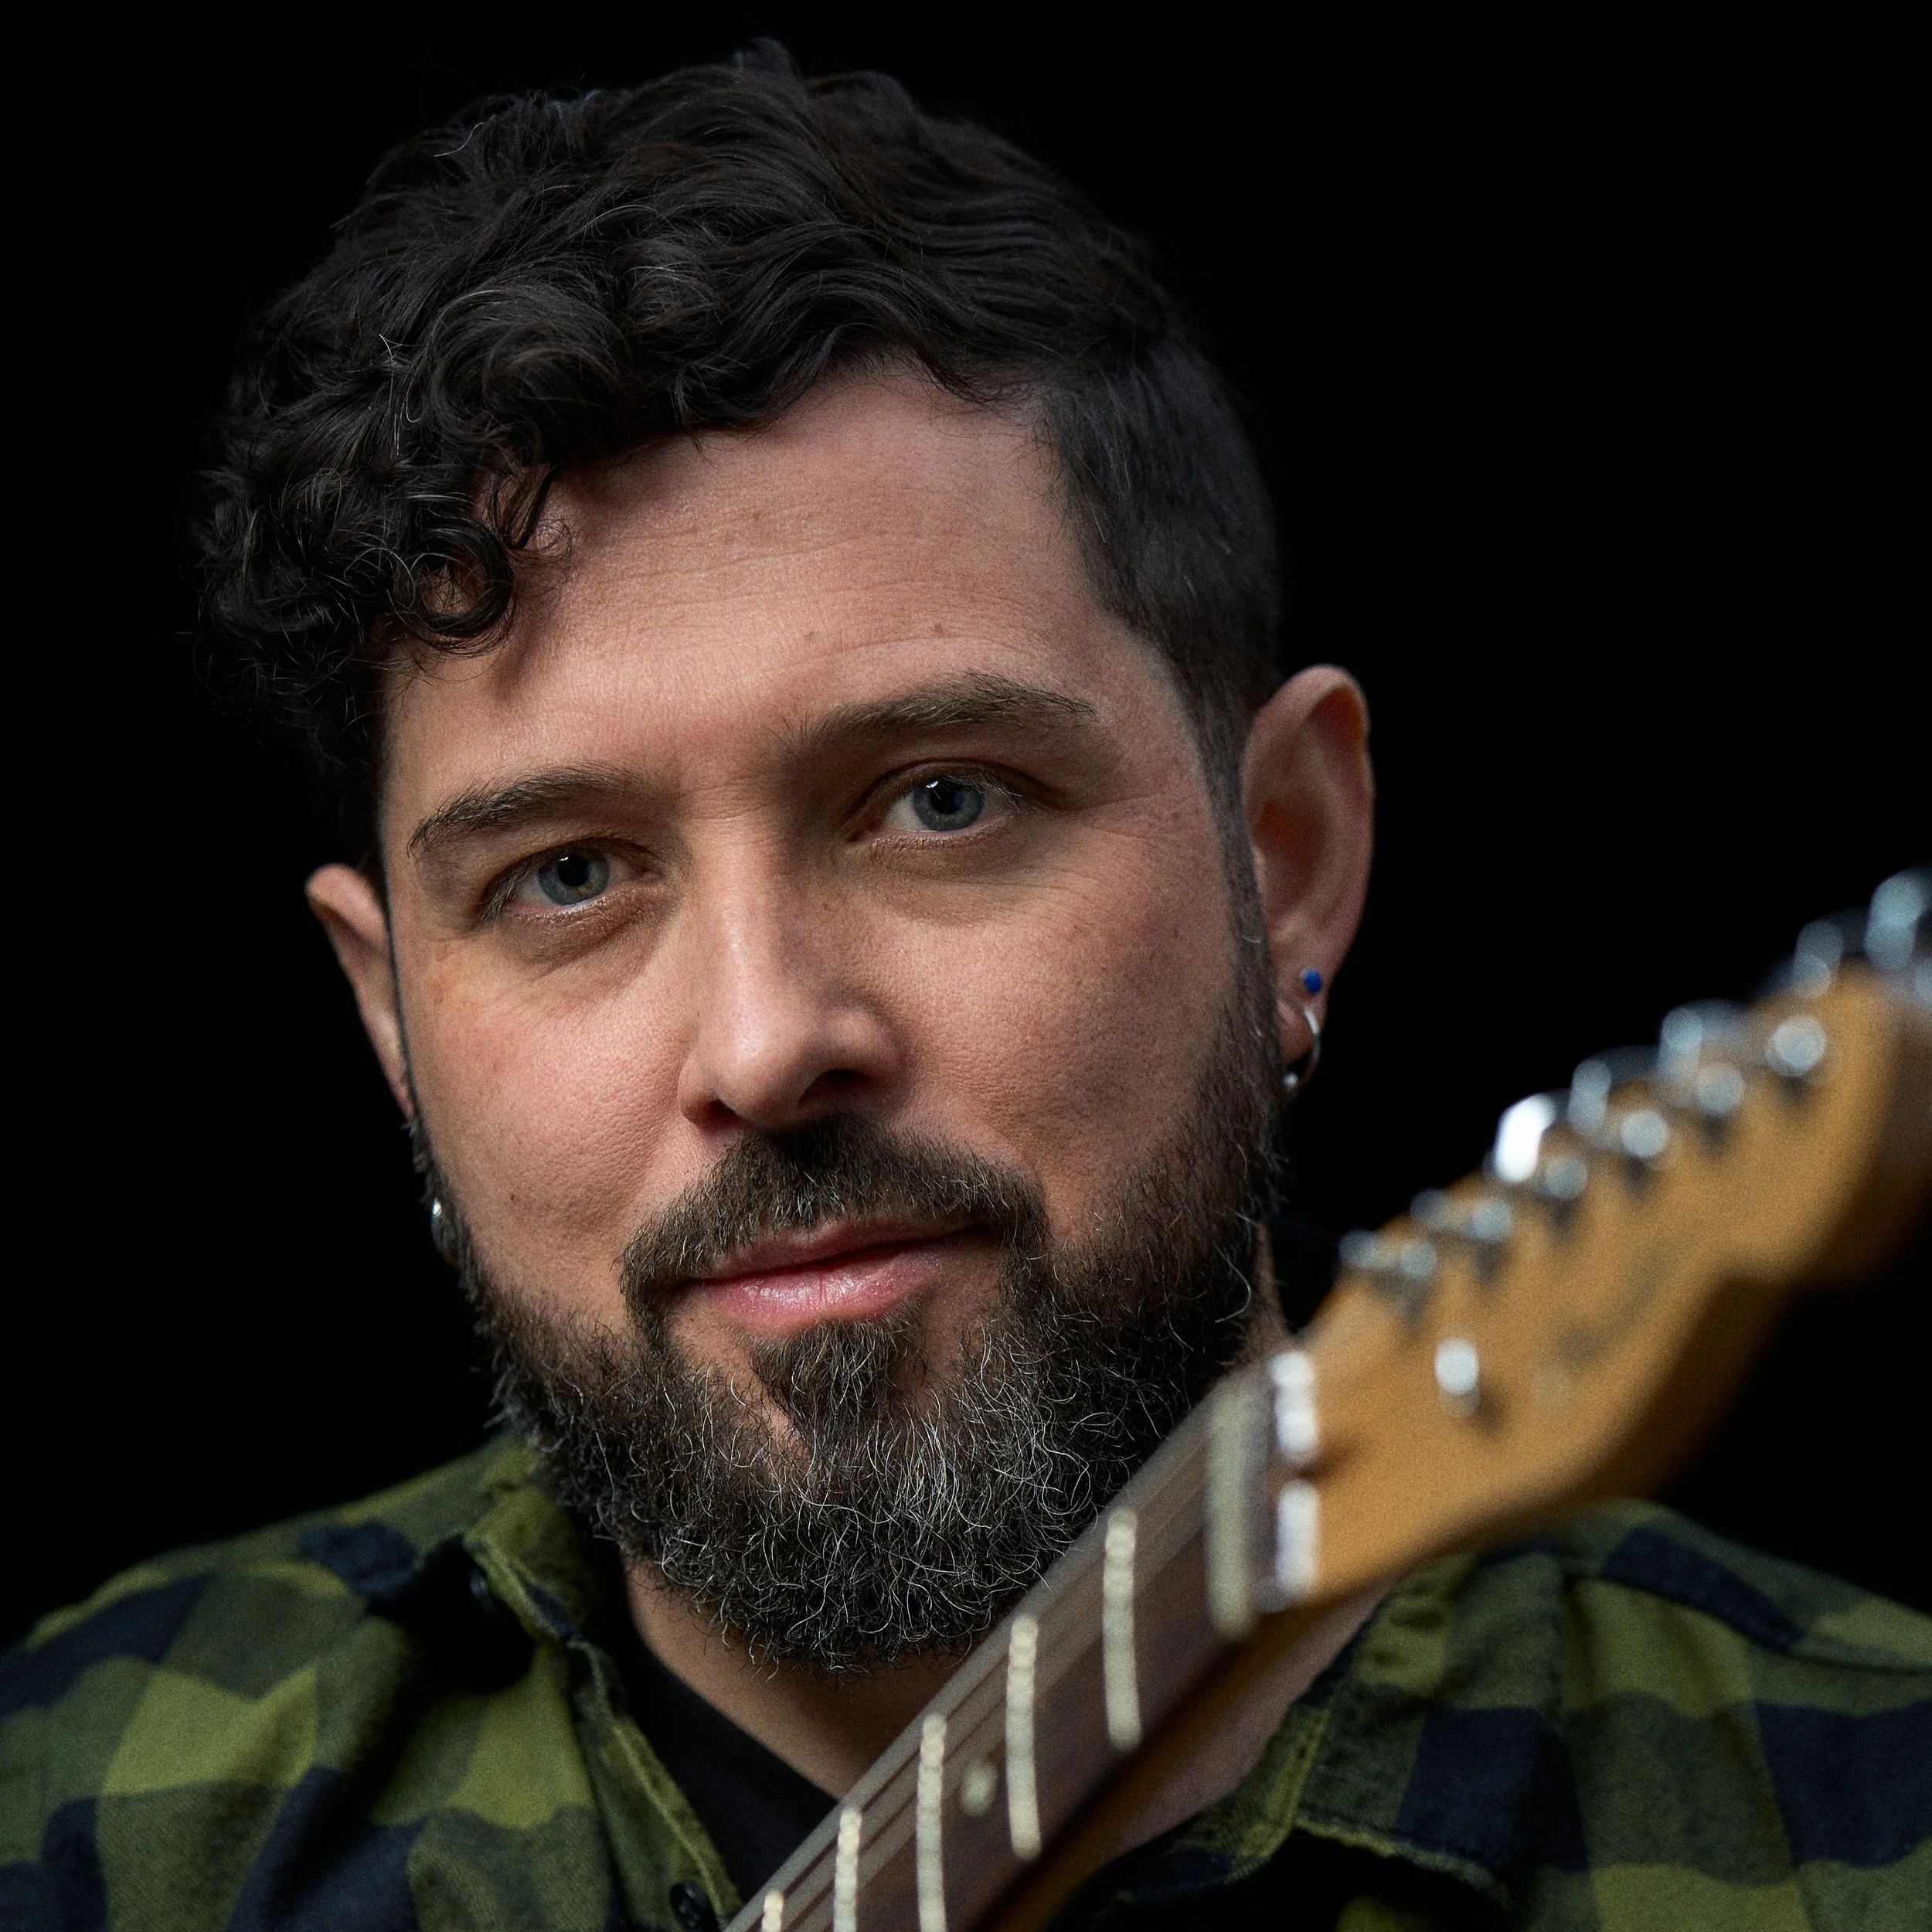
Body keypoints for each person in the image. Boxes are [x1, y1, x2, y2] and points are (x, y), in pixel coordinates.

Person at [4, 48, 1926, 1932]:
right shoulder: (86, 1813)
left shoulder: (1866, 1832)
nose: (768, 1039)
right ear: (392, 1020)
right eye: (567, 874)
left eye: (939, 800)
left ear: (1284, 854)